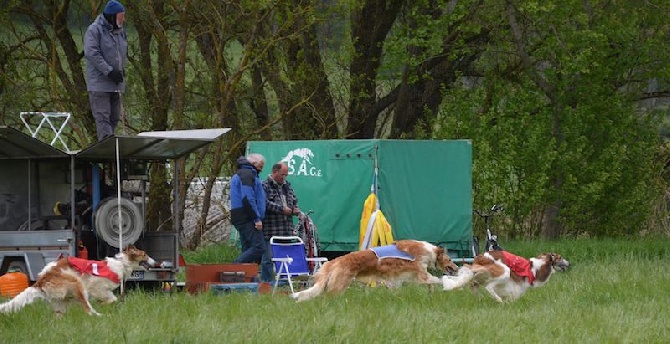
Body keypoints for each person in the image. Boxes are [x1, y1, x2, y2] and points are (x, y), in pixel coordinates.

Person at [84, 0, 128, 141]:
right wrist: (109, 71)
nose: (123, 19)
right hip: (99, 84)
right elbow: (91, 53)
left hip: (115, 84)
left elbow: (120, 53)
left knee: (115, 117)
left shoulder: (120, 32)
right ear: (112, 16)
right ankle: (107, 149)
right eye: (121, 16)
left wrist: (121, 71)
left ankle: (108, 145)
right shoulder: (94, 30)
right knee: (103, 117)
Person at [260, 162, 300, 282]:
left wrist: (294, 209)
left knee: (286, 257)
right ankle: (266, 283)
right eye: (283, 175)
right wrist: (282, 210)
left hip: (286, 229)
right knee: (267, 258)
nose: (284, 178)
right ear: (275, 172)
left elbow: (294, 200)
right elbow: (264, 204)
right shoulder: (264, 185)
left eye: (286, 175)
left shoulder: (287, 186)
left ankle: (284, 282)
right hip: (270, 229)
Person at [230, 153, 267, 266]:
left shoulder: (242, 173)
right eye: (260, 166)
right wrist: (256, 218)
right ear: (254, 163)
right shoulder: (247, 174)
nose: (261, 169)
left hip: (239, 215)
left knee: (247, 249)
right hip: (247, 216)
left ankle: (245, 278)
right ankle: (233, 266)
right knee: (259, 247)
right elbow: (247, 198)